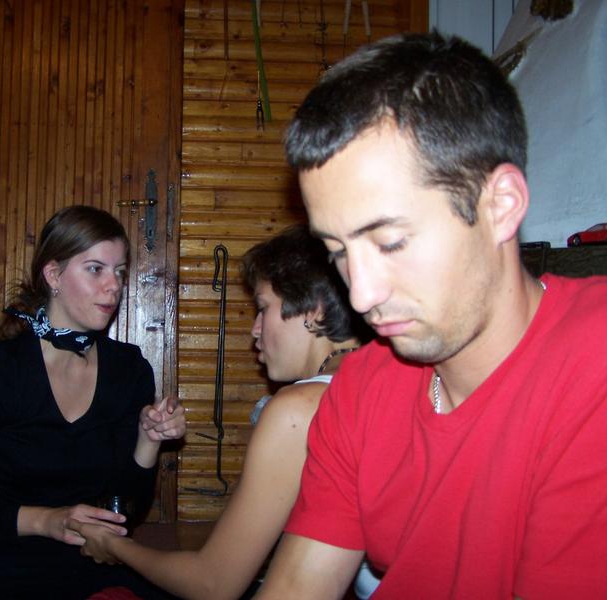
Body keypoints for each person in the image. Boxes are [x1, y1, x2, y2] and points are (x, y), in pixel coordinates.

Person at [255, 31, 607, 599]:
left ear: (500, 206)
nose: (361, 295)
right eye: (338, 252)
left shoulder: (595, 360)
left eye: (390, 241)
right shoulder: (360, 389)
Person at [69, 224, 374, 600]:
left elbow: (213, 584)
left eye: (263, 308)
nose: (255, 330)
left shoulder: (298, 409)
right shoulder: (380, 379)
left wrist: (114, 546)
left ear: (313, 309)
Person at [0, 205, 187, 599]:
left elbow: (126, 511)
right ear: (54, 275)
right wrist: (46, 521)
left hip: (98, 561)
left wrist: (149, 439)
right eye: (95, 269)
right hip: (12, 565)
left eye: (119, 271)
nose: (113, 285)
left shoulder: (128, 369)